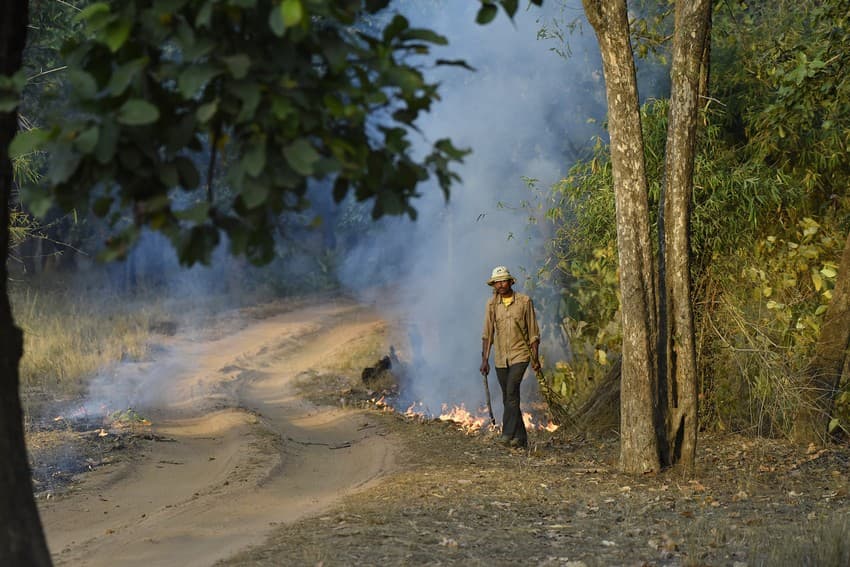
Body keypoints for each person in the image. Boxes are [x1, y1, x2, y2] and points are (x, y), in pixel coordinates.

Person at [480, 266, 540, 448]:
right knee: (508, 397)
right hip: (500, 357)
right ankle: (521, 438)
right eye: (497, 282)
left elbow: (533, 333)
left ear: (511, 282)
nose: (501, 285)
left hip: (520, 354)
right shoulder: (491, 305)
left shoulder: (524, 301)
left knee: (512, 391)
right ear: (494, 285)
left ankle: (506, 434)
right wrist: (485, 360)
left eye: (504, 281)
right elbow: (487, 334)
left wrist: (535, 358)